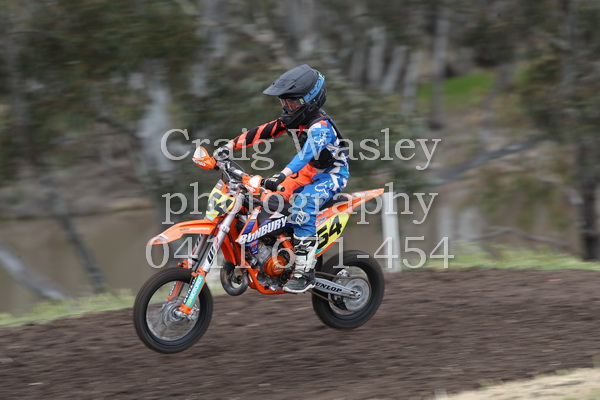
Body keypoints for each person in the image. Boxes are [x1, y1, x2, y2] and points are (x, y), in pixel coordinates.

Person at [213, 64, 349, 293]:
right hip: (308, 172)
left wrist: (281, 175)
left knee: (303, 205)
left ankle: (304, 271)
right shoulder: (293, 120)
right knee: (267, 198)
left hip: (332, 174)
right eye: (285, 102)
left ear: (310, 100)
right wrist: (229, 146)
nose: (287, 107)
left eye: (292, 103)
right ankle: (273, 250)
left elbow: (304, 156)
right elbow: (263, 131)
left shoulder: (321, 127)